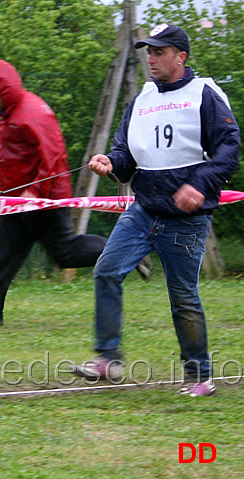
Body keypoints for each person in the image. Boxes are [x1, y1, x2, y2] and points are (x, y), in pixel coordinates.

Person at [71, 24, 240, 397]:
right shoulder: (142, 100)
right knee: (107, 270)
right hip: (143, 210)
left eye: (159, 52)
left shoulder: (205, 94)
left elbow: (230, 149)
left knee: (183, 298)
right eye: (148, 52)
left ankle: (200, 377)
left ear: (180, 56)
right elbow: (126, 156)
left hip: (187, 220)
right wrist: (109, 163)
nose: (151, 58)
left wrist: (199, 186)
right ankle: (108, 359)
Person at [0, 59, 151, 327]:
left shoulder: (32, 113)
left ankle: (128, 249)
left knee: (65, 254)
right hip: (17, 202)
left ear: (6, 91)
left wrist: (35, 192)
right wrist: (0, 194)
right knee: (2, 253)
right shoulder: (11, 113)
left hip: (44, 200)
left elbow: (54, 156)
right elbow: (10, 159)